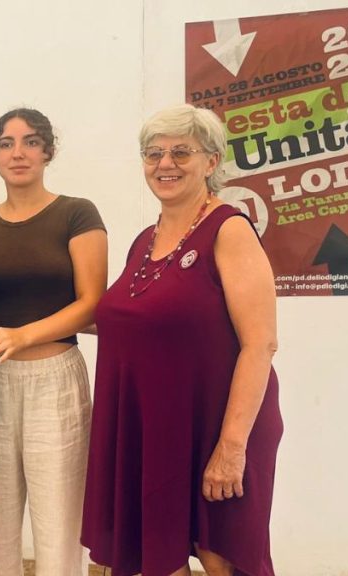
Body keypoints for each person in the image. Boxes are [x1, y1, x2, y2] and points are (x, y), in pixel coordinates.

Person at [81, 104, 283, 576]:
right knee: (159, 553)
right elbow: (137, 323)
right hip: (155, 429)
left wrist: (231, 446)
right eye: (153, 154)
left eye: (181, 152)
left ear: (211, 162)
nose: (165, 164)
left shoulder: (229, 229)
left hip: (219, 424)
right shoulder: (145, 240)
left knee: (222, 557)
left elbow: (261, 344)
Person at [0, 108, 108, 576]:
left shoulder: (76, 213)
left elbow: (92, 304)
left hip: (54, 380)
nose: (18, 153)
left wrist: (23, 335)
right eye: (6, 143)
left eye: (31, 142)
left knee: (59, 523)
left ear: (47, 151)